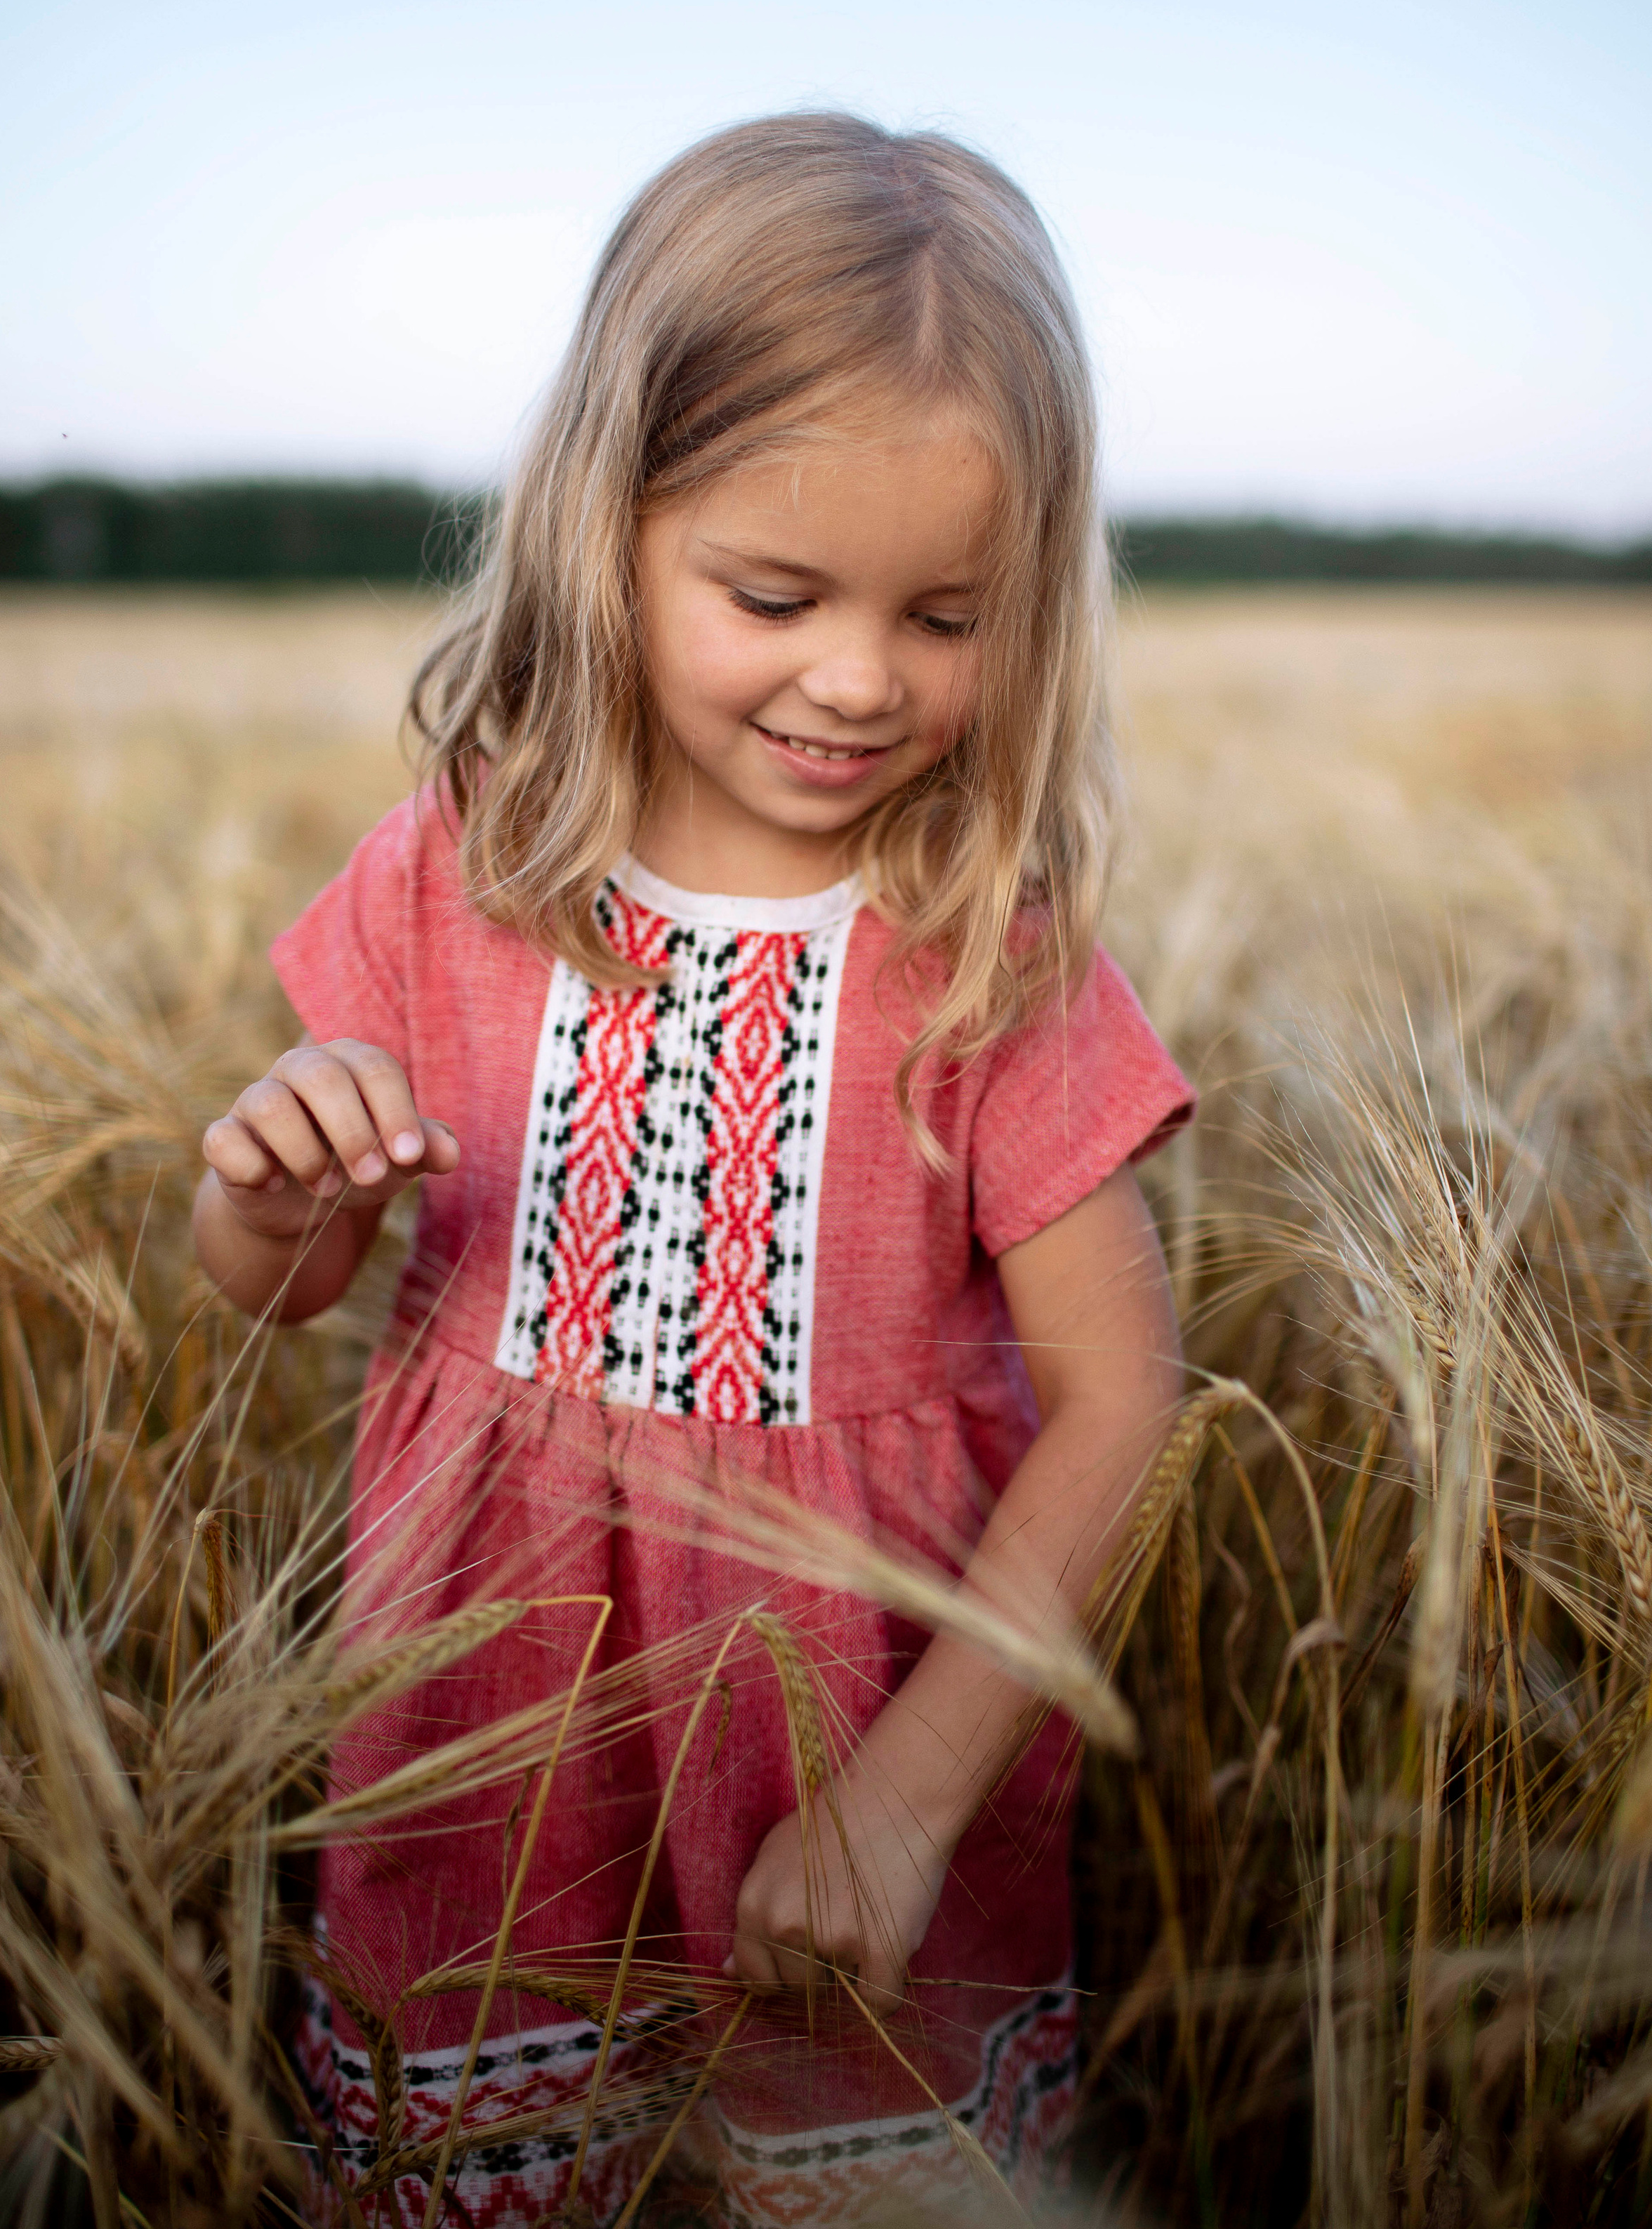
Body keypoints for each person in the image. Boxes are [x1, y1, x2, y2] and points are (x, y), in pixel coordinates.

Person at [194, 111, 1194, 2227]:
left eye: (948, 616)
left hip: (852, 1738)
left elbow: (1124, 1394)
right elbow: (280, 1285)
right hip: (487, 1740)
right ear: (607, 529)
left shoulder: (982, 944)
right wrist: (274, 1196)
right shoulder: (465, 863)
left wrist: (912, 1805)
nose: (857, 678)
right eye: (773, 592)